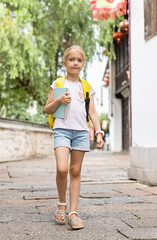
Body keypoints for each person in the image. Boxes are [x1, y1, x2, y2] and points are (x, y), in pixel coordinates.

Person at [45, 45, 105, 230]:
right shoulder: (58, 84)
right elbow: (47, 109)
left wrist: (98, 131)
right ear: (65, 63)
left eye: (79, 60)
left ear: (83, 63)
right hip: (62, 130)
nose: (75, 63)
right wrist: (58, 100)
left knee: (76, 171)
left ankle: (73, 212)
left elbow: (93, 112)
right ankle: (61, 204)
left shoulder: (86, 87)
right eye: (71, 60)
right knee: (62, 169)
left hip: (80, 132)